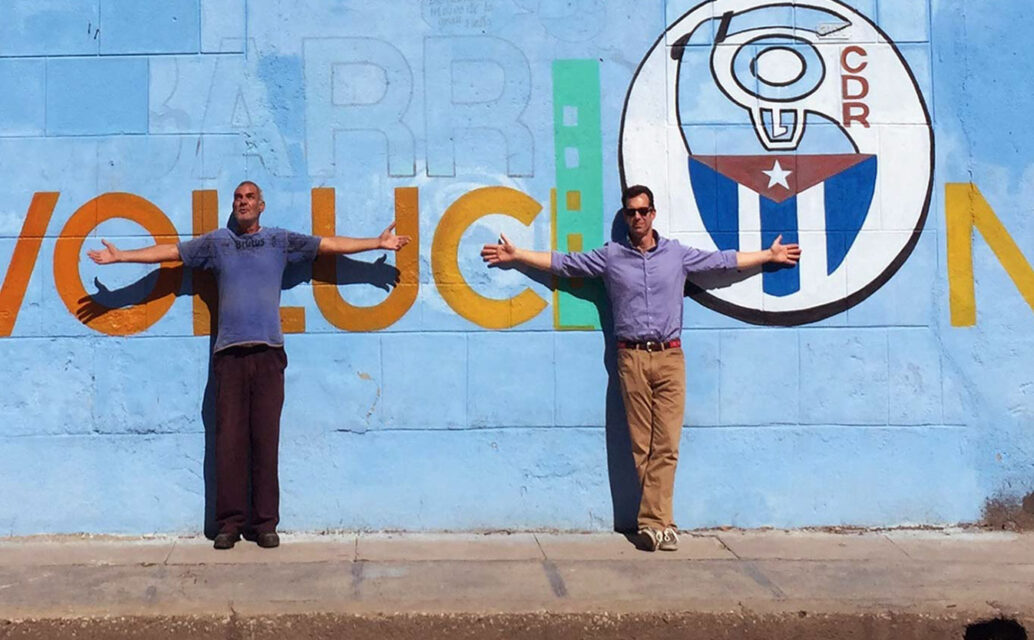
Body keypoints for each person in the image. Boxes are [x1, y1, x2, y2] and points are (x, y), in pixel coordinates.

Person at [88, 180, 410, 549]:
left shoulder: (279, 241)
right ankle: (229, 524)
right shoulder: (217, 243)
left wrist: (376, 243)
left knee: (265, 440)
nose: (243, 203)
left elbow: (328, 245)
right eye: (238, 198)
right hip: (228, 355)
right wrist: (122, 256)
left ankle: (265, 524)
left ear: (262, 205)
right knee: (229, 442)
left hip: (269, 353)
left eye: (249, 198)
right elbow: (170, 252)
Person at [480, 184, 800, 552]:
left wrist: (769, 255)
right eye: (631, 212)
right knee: (640, 444)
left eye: (643, 211)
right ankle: (661, 524)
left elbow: (722, 261)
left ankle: (655, 523)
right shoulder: (611, 257)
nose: (637, 218)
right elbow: (565, 264)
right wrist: (517, 254)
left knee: (667, 444)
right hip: (630, 357)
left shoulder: (676, 254)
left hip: (670, 357)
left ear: (653, 213)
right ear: (626, 216)